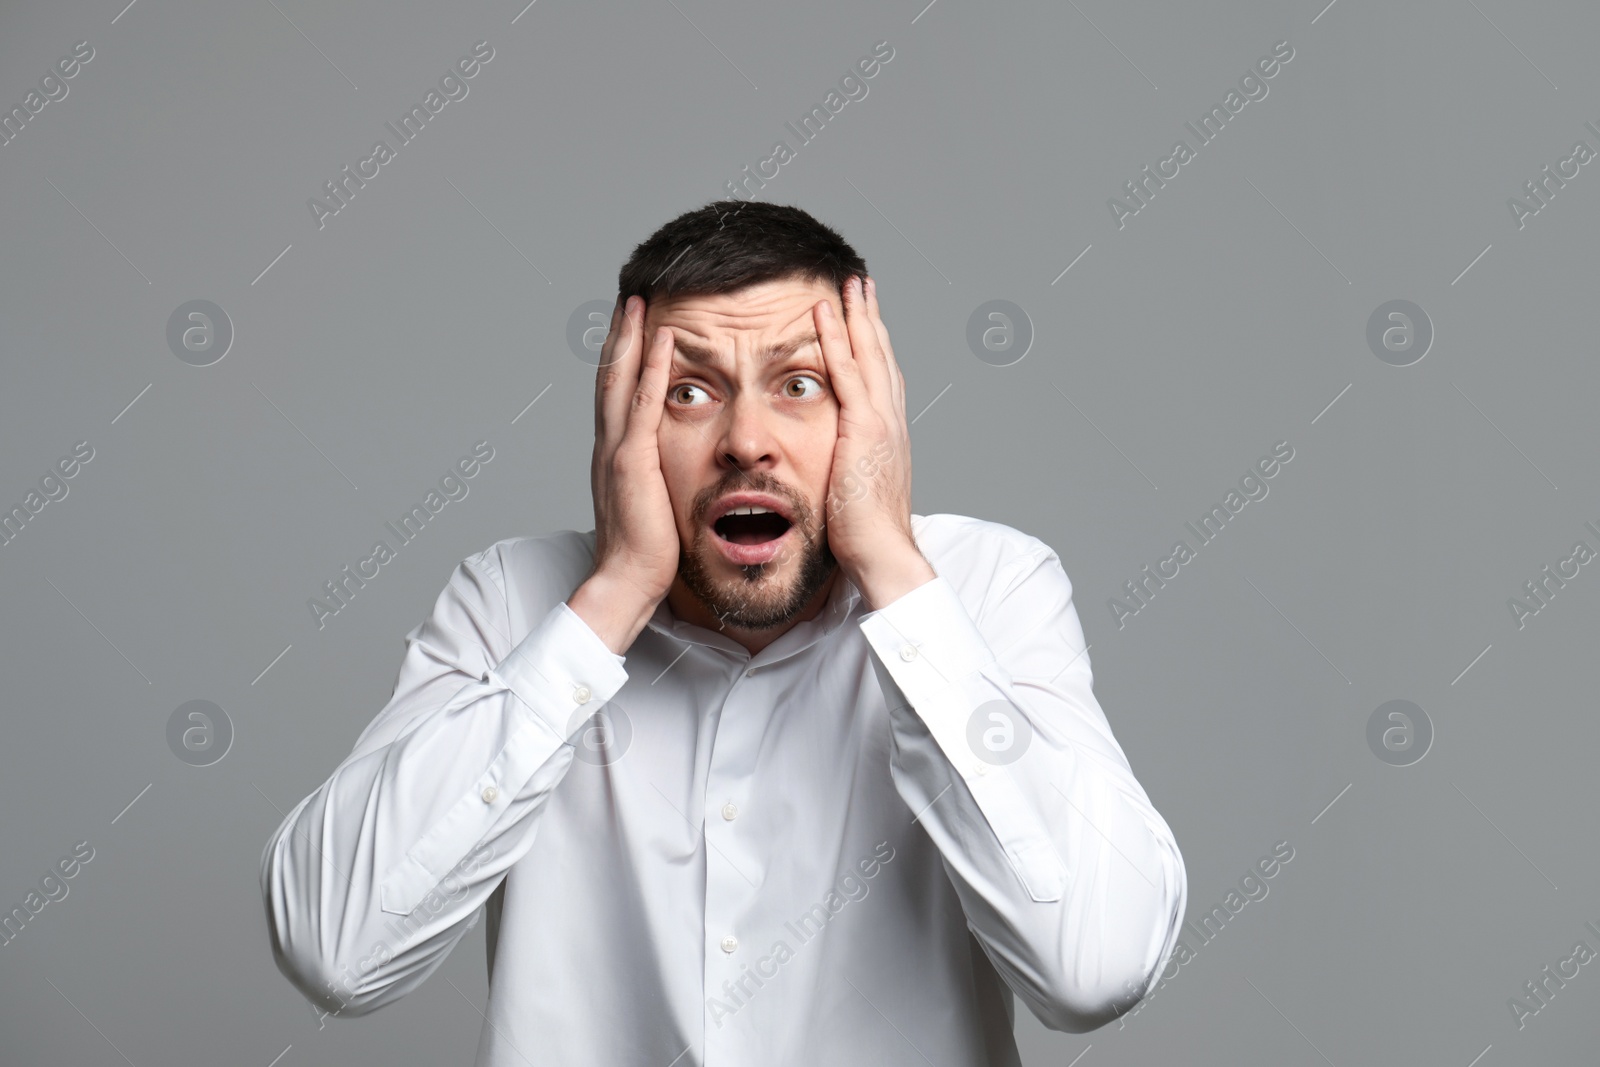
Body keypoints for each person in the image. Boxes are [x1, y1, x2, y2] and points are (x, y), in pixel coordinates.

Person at [259, 200, 1187, 1065]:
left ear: (876, 413)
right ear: (623, 418)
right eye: (689, 392)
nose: (747, 439)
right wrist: (614, 592)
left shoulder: (983, 589)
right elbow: (336, 951)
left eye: (801, 383)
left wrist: (897, 581)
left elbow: (1094, 969)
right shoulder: (512, 601)